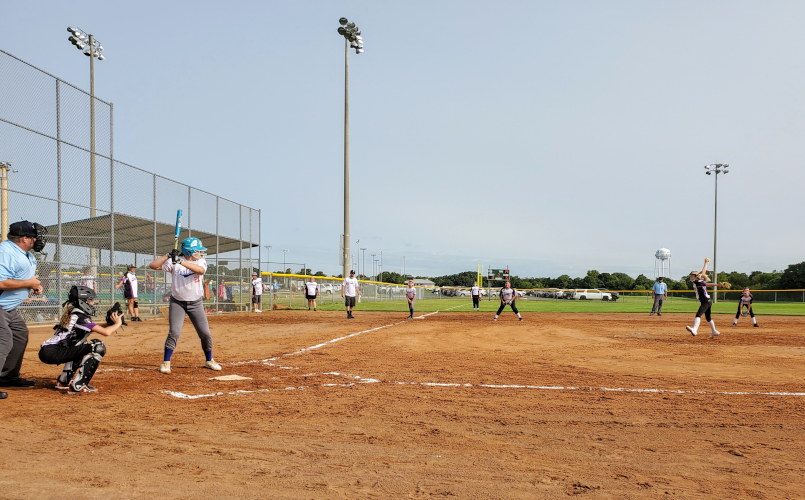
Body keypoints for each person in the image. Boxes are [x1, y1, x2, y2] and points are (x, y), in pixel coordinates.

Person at [149, 237, 221, 374]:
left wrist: (181, 261)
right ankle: (166, 362)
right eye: (197, 251)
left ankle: (209, 360)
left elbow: (200, 271)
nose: (200, 253)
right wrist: (168, 256)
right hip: (178, 302)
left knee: (205, 333)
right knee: (174, 332)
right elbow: (153, 265)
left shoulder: (200, 262)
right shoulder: (173, 262)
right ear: (189, 251)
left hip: (196, 303)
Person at [38, 285, 123, 394]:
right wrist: (118, 323)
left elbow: (94, 327)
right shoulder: (80, 316)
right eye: (90, 300)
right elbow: (106, 332)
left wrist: (110, 323)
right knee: (97, 346)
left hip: (49, 351)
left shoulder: (76, 313)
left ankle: (63, 381)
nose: (92, 303)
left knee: (79, 344)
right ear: (82, 301)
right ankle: (78, 385)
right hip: (52, 352)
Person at [0, 221, 46, 398]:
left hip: (9, 309)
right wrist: (29, 283)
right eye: (34, 237)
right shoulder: (6, 252)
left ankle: (7, 377)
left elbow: (23, 278)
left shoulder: (27, 254)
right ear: (24, 238)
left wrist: (33, 286)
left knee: (20, 335)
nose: (37, 241)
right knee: (3, 341)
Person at [685, 258, 730, 338]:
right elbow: (703, 272)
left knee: (698, 314)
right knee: (708, 317)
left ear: (695, 276)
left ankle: (695, 330)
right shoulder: (699, 280)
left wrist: (717, 285)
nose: (691, 276)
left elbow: (707, 284)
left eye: (692, 275)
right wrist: (705, 263)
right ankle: (714, 331)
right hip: (707, 301)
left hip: (706, 301)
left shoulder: (698, 282)